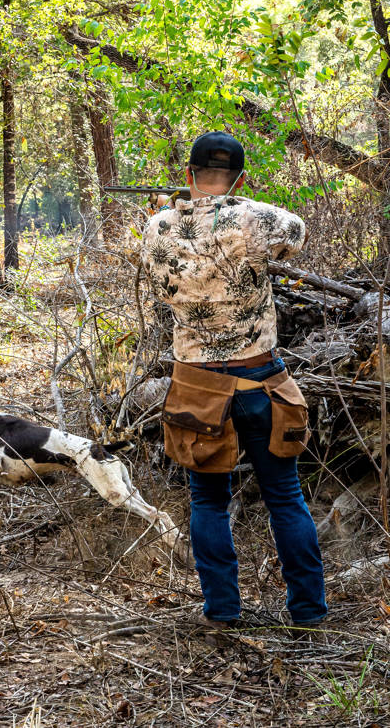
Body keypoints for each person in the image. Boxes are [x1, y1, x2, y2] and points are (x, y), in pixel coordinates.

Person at [141, 131, 327, 629]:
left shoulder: (158, 226)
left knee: (207, 500)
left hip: (197, 386)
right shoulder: (253, 219)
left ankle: (223, 611)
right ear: (241, 179)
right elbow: (296, 230)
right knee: (284, 496)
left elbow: (161, 280)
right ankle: (308, 611)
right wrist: (234, 206)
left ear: (188, 176)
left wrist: (181, 210)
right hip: (261, 380)